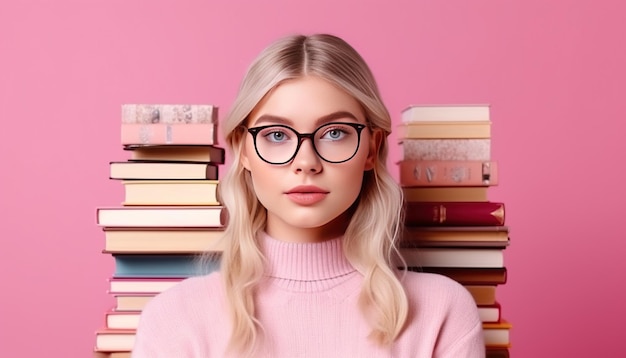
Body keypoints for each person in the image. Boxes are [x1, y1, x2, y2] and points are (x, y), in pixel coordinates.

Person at [132, 33, 485, 357]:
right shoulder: (175, 320)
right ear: (243, 150)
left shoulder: (441, 310)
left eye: (334, 133)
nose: (306, 163)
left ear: (370, 149)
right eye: (276, 134)